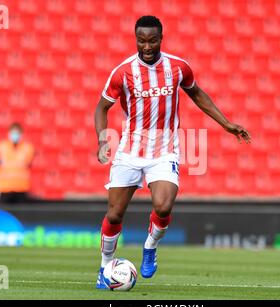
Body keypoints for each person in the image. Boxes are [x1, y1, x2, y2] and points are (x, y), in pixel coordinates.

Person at [94, 16, 251, 289]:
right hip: (130, 150)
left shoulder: (178, 68)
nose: (146, 46)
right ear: (136, 39)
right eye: (141, 40)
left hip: (165, 149)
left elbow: (198, 94)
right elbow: (101, 108)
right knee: (115, 214)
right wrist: (102, 140)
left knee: (163, 206)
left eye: (152, 40)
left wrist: (226, 124)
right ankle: (105, 266)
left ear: (161, 39)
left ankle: (150, 247)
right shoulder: (122, 72)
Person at [0, 122, 35, 203]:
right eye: (13, 133)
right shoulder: (0, 147)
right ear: (9, 133)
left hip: (21, 186)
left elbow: (29, 163)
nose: (15, 135)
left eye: (17, 133)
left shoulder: (28, 148)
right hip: (5, 187)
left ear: (21, 134)